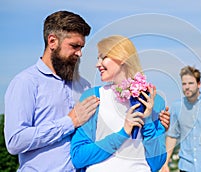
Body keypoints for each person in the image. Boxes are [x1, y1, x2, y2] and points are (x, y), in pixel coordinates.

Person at [4, 10, 101, 171]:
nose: (80, 53)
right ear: (52, 41)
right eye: (74, 46)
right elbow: (15, 141)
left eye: (81, 47)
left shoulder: (84, 86)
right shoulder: (25, 82)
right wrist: (69, 122)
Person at [70, 35, 168, 172]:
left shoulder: (155, 101)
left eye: (103, 57)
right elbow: (78, 157)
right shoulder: (93, 97)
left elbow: (156, 163)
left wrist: (147, 120)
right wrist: (123, 132)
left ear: (121, 57)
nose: (97, 64)